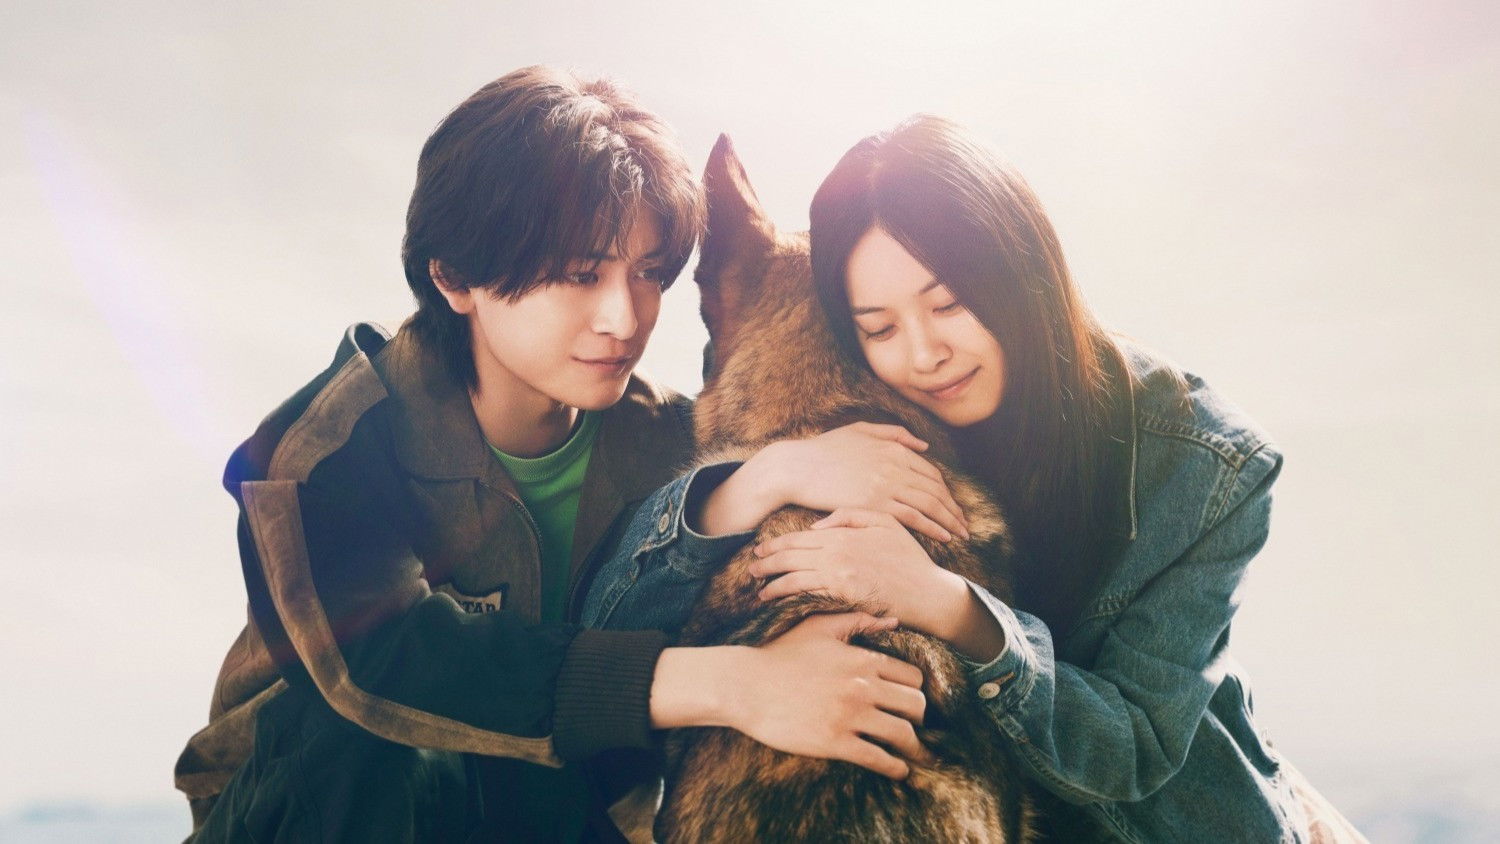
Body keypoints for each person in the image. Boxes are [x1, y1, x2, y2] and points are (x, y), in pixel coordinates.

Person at [174, 69, 954, 842]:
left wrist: (773, 489)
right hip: (316, 806)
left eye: (648, 274)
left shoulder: (676, 447)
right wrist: (733, 682)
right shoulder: (322, 449)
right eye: (582, 275)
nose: (624, 318)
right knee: (376, 743)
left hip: (550, 812)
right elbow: (387, 667)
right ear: (455, 277)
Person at [590, 115, 1368, 842]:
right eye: (878, 327)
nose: (924, 355)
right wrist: (761, 478)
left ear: (1022, 273)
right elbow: (604, 618)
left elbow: (1131, 750)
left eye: (950, 304)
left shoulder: (1206, 468)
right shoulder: (858, 429)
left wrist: (949, 605)